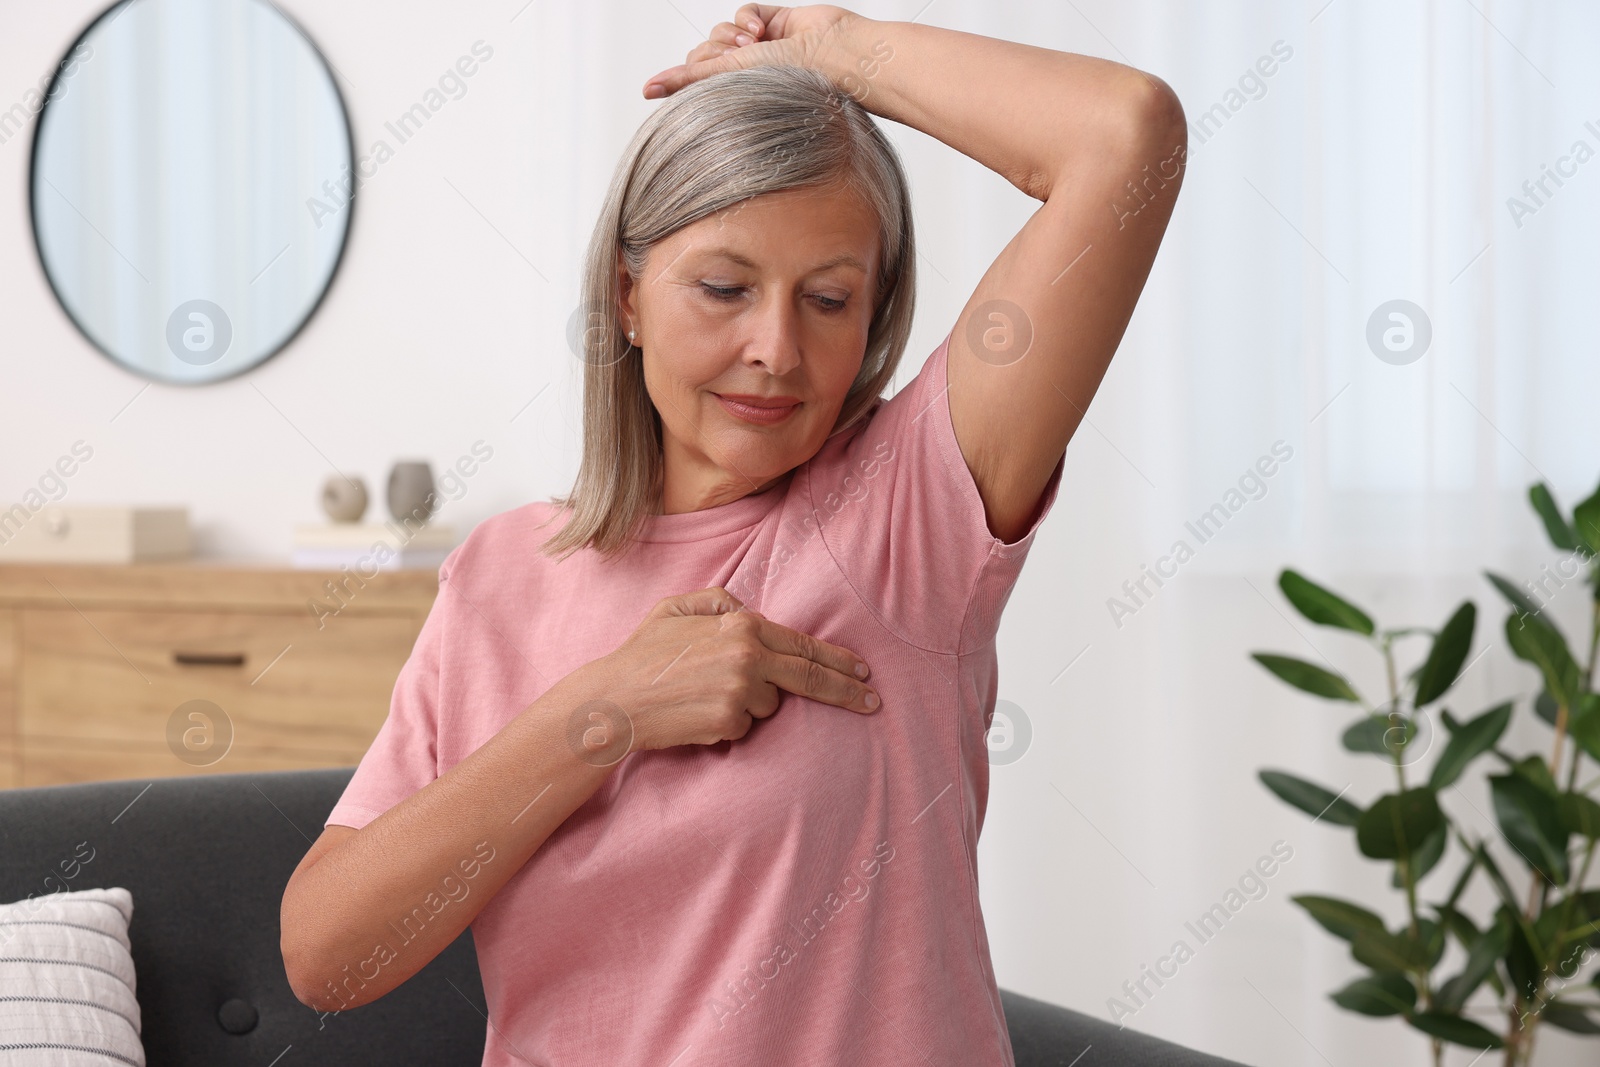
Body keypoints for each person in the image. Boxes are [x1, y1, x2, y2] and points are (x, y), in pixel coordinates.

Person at [280, 5, 1186, 1064]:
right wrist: (603, 707)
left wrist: (830, 52)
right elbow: (326, 956)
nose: (775, 348)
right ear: (626, 296)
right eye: (722, 287)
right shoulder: (500, 573)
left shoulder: (909, 513)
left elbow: (1123, 133)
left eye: (829, 299)